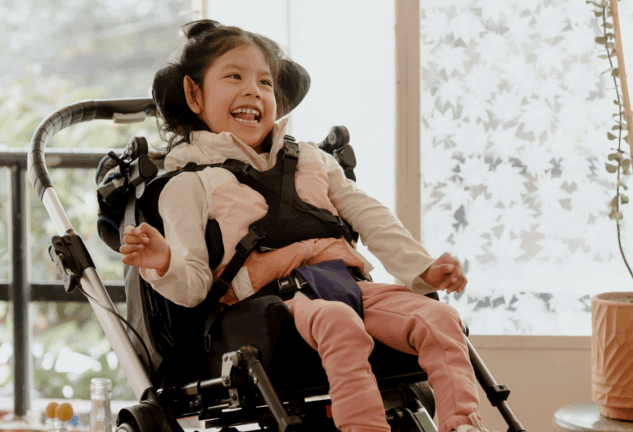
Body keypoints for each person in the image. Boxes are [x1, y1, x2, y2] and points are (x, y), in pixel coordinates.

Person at [119, 19, 494, 432]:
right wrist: (163, 261)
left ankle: (463, 424)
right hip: (271, 304)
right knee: (338, 321)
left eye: (265, 82)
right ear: (193, 93)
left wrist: (421, 269)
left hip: (346, 285)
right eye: (234, 76)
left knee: (440, 318)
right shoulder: (188, 183)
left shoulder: (313, 160)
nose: (253, 90)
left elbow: (371, 216)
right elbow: (192, 286)